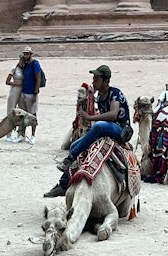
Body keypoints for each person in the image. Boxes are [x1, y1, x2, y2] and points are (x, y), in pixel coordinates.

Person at [45, 64, 132, 198]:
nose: (93, 81)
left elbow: (113, 114)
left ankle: (69, 158)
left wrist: (91, 117)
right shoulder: (99, 97)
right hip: (107, 128)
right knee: (75, 145)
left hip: (120, 129)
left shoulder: (115, 93)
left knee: (98, 126)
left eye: (97, 79)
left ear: (106, 81)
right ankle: (63, 184)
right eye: (93, 78)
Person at [8, 46, 44, 145]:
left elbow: (38, 78)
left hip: (31, 93)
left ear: (31, 54)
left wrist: (35, 93)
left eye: (27, 53)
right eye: (25, 53)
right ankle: (21, 135)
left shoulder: (35, 64)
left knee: (33, 114)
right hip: (23, 92)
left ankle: (33, 136)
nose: (25, 55)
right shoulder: (25, 64)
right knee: (22, 114)